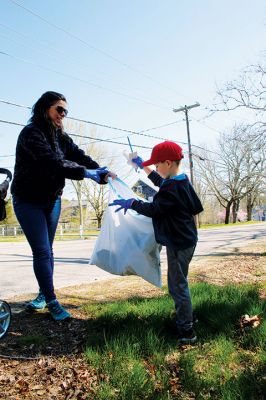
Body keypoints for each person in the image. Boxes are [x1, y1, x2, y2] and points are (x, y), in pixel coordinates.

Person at [11, 91, 116, 321]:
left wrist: (101, 170)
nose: (62, 115)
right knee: (41, 251)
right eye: (59, 109)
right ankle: (52, 301)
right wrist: (87, 174)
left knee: (48, 250)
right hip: (27, 200)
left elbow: (78, 155)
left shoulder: (60, 136)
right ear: (45, 108)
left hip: (51, 199)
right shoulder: (31, 134)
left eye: (65, 112)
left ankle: (42, 294)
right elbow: (53, 163)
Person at [109, 141, 203, 343]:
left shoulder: (171, 189)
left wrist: (131, 203)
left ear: (167, 163)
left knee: (177, 286)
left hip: (178, 243)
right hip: (186, 239)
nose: (157, 169)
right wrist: (143, 166)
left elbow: (154, 209)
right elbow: (161, 182)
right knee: (180, 283)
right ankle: (187, 316)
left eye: (157, 164)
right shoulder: (181, 181)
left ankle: (186, 330)